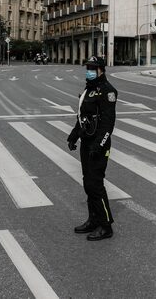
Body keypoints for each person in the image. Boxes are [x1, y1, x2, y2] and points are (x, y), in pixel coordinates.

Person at [67, 56, 118, 241]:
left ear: (101, 70)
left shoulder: (108, 91)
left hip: (99, 144)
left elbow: (108, 124)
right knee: (88, 183)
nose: (89, 70)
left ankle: (106, 225)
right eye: (88, 67)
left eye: (92, 68)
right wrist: (74, 136)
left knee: (95, 184)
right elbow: (83, 117)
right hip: (87, 143)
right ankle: (93, 220)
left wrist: (99, 144)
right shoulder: (88, 89)